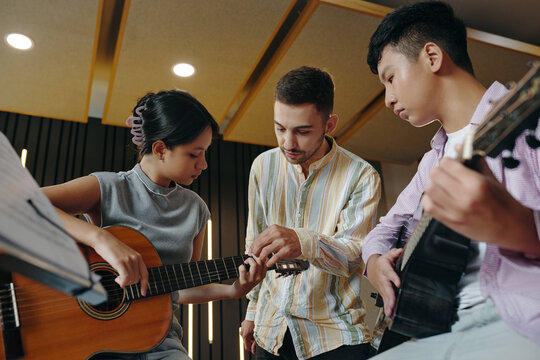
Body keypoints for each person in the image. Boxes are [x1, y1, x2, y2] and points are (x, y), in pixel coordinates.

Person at [362, 2, 540, 359]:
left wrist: (523, 231)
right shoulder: (432, 163)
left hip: (520, 318)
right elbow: (381, 232)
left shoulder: (526, 124)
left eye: (390, 78)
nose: (387, 99)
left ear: (431, 56)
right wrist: (374, 265)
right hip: (438, 327)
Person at [42, 89, 266, 360]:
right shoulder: (108, 187)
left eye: (205, 153)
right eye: (195, 154)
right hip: (95, 341)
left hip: (160, 343)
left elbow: (183, 286)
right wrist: (101, 238)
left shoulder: (196, 209)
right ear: (160, 149)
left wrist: (233, 291)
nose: (204, 164)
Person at [240, 66, 381, 359]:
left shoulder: (361, 175)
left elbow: (356, 255)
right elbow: (255, 244)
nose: (288, 143)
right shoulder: (262, 167)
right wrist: (253, 311)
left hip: (335, 335)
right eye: (280, 128)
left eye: (302, 131)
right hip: (271, 331)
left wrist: (304, 242)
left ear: (329, 125)